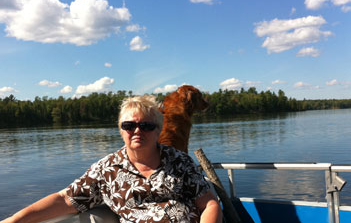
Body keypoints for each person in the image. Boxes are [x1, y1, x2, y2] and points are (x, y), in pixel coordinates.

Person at [1, 95, 222, 223]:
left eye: (146, 125)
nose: (137, 131)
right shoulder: (107, 170)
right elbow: (64, 200)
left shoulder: (179, 161)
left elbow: (210, 203)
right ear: (120, 129)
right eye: (129, 125)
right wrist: (14, 221)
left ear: (158, 130)